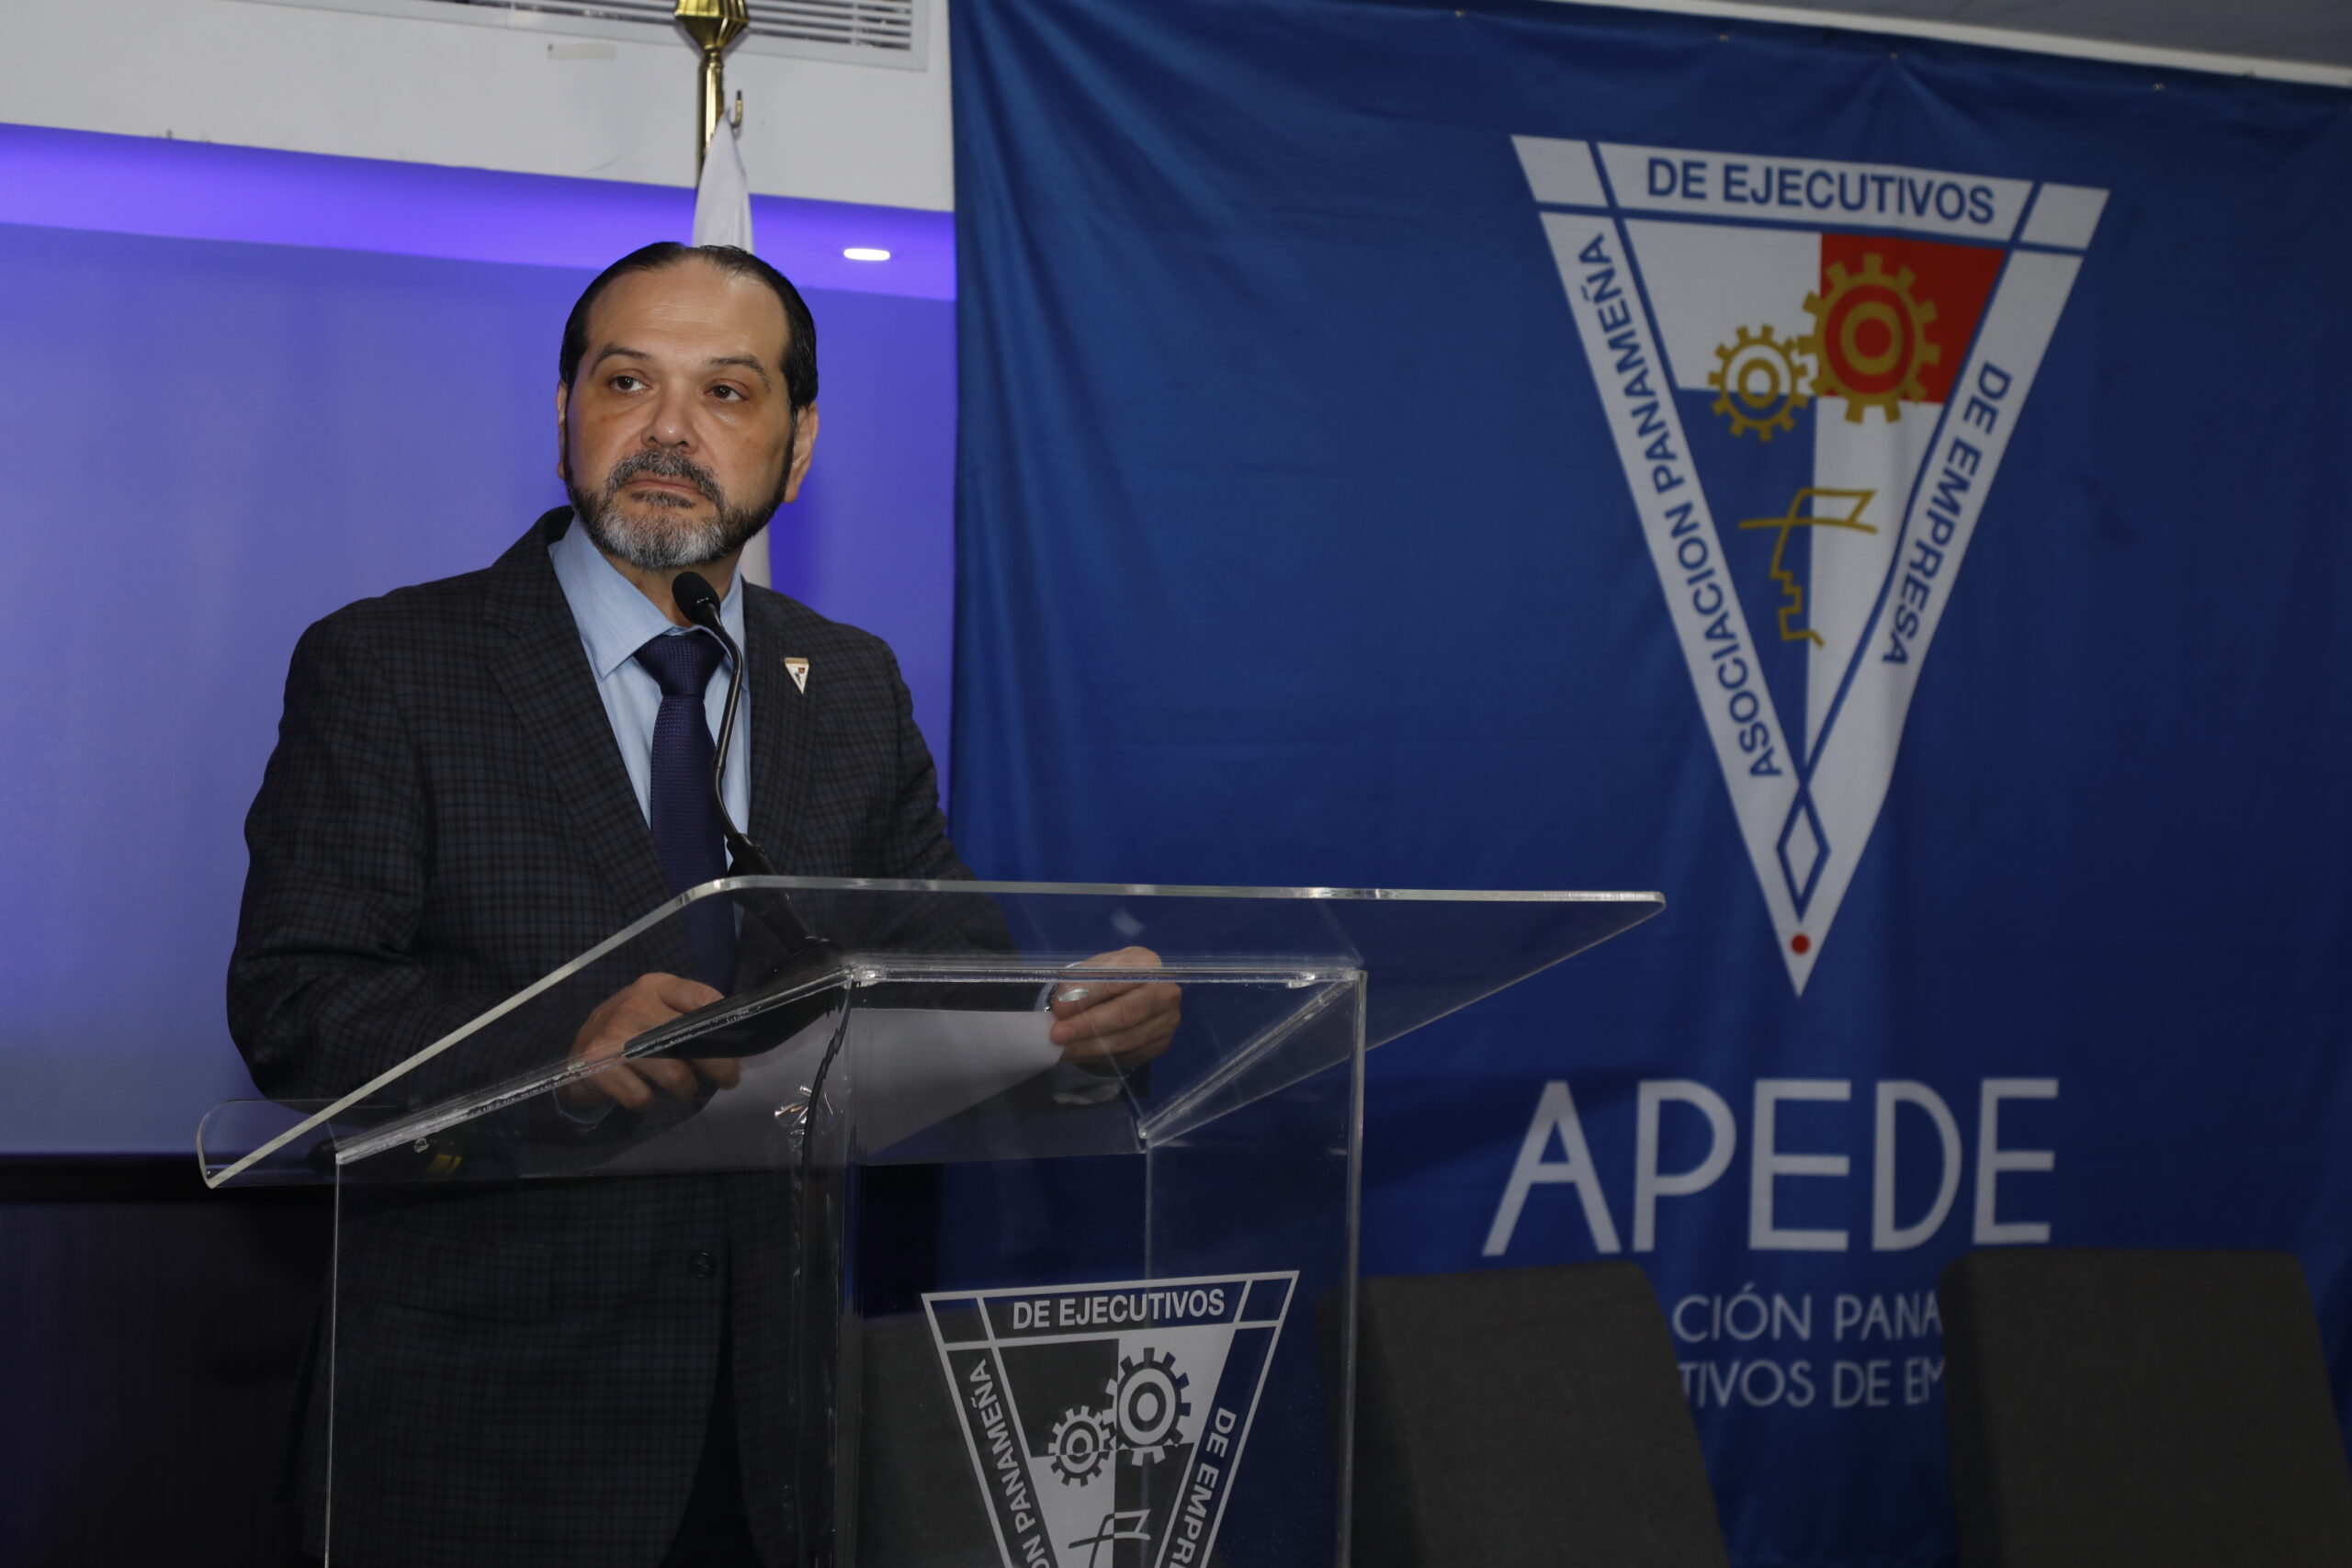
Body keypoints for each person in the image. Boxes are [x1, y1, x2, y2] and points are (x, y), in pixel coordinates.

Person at [228, 243, 1178, 1568]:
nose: (669, 429)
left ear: (798, 447)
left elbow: (951, 978)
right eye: (627, 382)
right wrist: (559, 1051)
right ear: (565, 414)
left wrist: (1076, 1032)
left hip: (778, 1426)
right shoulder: (392, 664)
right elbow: (298, 1001)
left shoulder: (847, 685)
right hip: (485, 1427)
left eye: (727, 392)